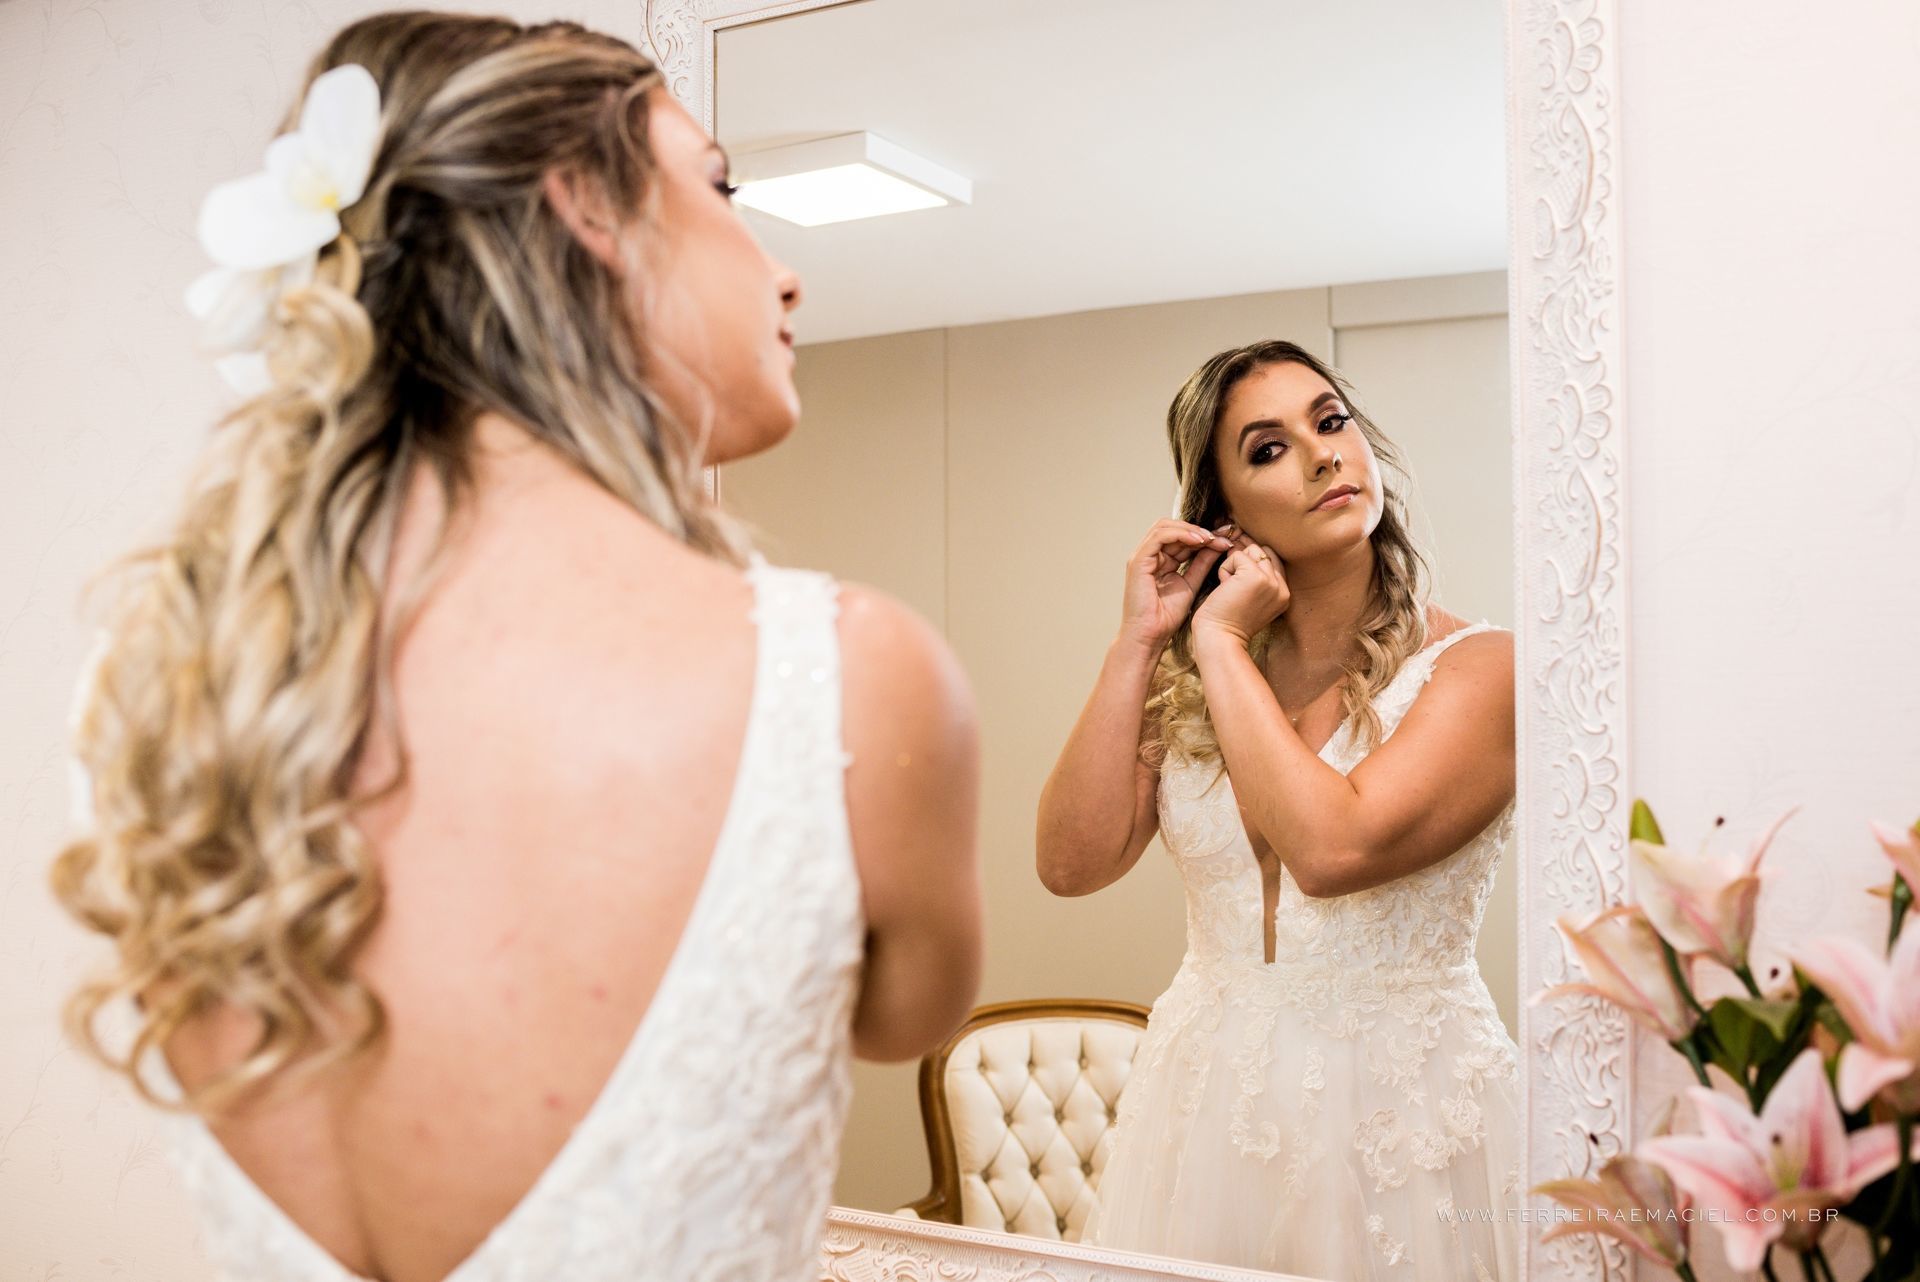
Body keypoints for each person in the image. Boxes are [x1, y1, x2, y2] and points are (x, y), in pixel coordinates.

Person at [49, 13, 982, 1282]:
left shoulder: (172, 688)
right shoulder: (844, 679)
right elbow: (907, 1018)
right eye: (719, 186)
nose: (786, 272)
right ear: (582, 204)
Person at [1038, 340, 1520, 1279]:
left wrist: (1218, 638)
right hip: (1205, 1095)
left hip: (1405, 1107)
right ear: (1223, 516)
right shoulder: (1184, 680)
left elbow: (1332, 850)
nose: (1323, 454)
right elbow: (1071, 864)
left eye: (1331, 422)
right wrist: (1143, 639)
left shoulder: (1481, 669)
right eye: (1268, 448)